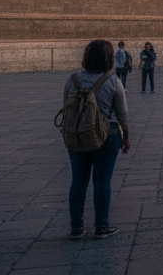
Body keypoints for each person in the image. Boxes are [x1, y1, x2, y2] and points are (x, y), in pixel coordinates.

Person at [64, 39, 130, 240]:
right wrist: (126, 136)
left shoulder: (72, 79)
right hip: (106, 135)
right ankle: (102, 226)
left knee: (78, 181)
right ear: (109, 57)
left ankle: (76, 227)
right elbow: (122, 115)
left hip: (78, 136)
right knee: (102, 181)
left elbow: (66, 109)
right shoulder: (113, 80)